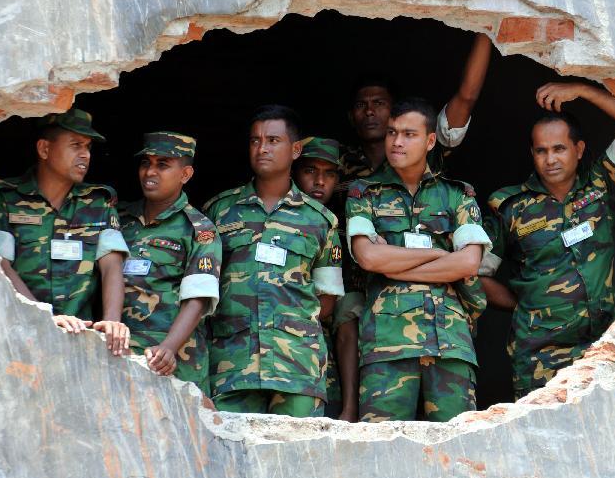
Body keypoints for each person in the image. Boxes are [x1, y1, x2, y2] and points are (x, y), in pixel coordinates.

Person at [479, 81, 615, 399]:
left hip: (605, 346)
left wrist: (582, 91)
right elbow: (476, 276)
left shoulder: (603, 184)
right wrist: (524, 305)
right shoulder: (510, 206)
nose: (550, 159)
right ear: (532, 153)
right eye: (541, 151)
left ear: (579, 149)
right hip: (540, 356)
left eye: (559, 148)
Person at [346, 98, 490, 422]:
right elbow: (368, 257)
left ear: (429, 141)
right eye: (392, 133)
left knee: (458, 448)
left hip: (450, 341)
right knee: (381, 450)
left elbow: (468, 263)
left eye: (409, 134)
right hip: (387, 343)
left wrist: (393, 265)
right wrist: (439, 254)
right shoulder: (364, 193)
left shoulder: (458, 194)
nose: (397, 142)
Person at [203, 105, 345, 417]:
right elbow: (203, 284)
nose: (262, 148)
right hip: (233, 363)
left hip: (297, 367)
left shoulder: (321, 220)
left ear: (295, 150)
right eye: (255, 141)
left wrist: (284, 325)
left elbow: (328, 299)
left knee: (301, 458)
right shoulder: (220, 211)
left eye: (272, 140)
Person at [0, 108, 130, 356]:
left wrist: (112, 321)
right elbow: (0, 263)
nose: (85, 155)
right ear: (44, 149)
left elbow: (111, 263)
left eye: (88, 147)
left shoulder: (99, 201)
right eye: (76, 145)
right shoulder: (4, 196)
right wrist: (42, 317)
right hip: (17, 333)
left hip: (81, 338)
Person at [118, 132, 222, 391]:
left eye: (162, 164)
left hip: (172, 359)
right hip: (119, 351)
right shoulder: (119, 218)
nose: (150, 172)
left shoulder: (199, 229)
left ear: (185, 175)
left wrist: (169, 348)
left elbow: (198, 298)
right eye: (145, 163)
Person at [338, 32, 493, 182]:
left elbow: (466, 97)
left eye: (379, 103)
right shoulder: (335, 163)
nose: (369, 111)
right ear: (351, 117)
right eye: (361, 104)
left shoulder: (423, 152)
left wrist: (487, 27)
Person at [292, 136, 359, 421]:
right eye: (310, 171)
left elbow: (331, 302)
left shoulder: (338, 220)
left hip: (317, 328)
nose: (320, 181)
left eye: (329, 174)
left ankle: (349, 408)